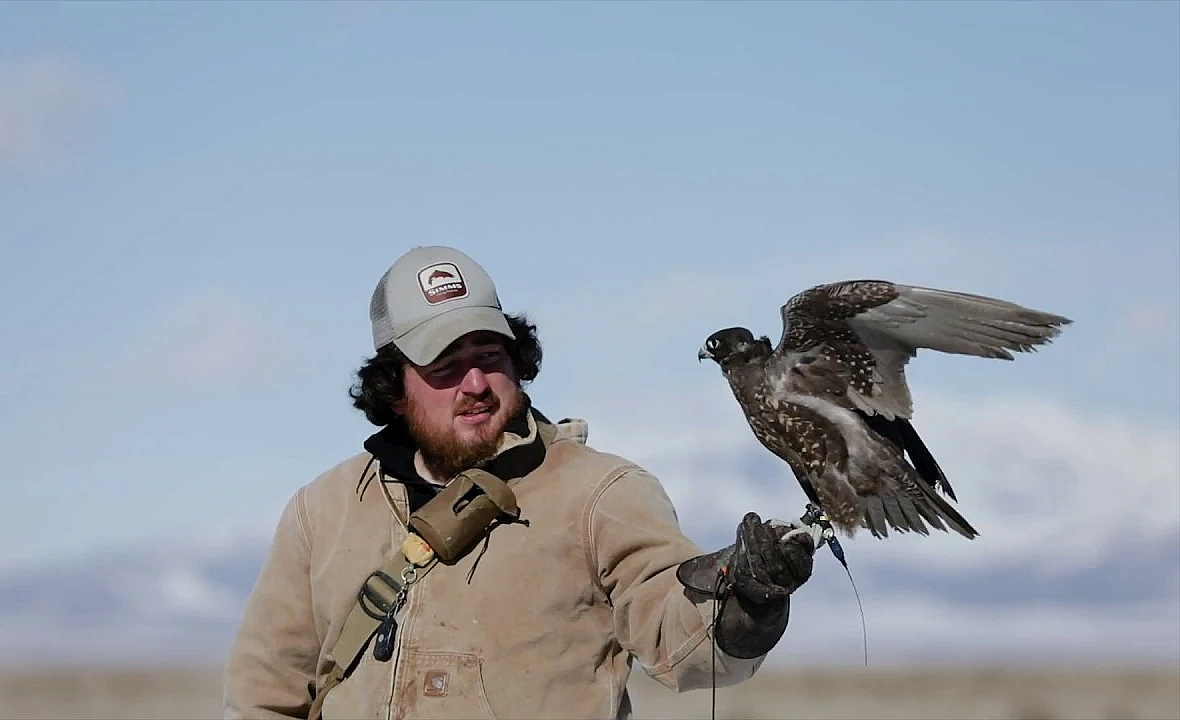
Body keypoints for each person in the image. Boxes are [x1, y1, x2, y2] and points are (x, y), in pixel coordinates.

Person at [222, 245, 818, 719]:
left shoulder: (599, 494)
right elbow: (265, 695)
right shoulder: (322, 512)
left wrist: (745, 600)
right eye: (445, 366)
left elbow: (682, 641)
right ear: (394, 384)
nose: (476, 382)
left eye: (491, 354)